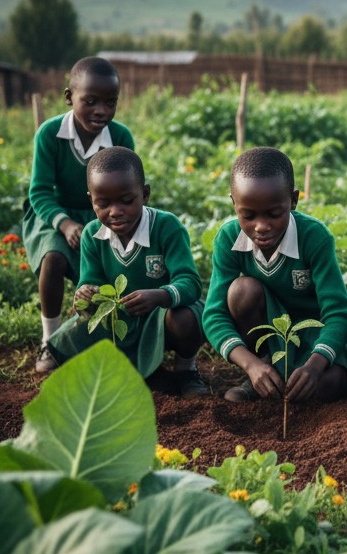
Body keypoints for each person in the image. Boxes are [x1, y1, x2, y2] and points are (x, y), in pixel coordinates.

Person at [45, 147, 209, 396]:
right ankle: (145, 372)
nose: (115, 211)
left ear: (145, 194)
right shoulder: (92, 235)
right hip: (121, 318)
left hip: (161, 317)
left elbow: (190, 282)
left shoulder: (166, 227)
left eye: (127, 200)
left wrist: (160, 296)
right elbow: (90, 280)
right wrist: (86, 293)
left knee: (185, 319)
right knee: (75, 331)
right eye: (103, 203)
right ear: (91, 200)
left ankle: (185, 370)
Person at [202, 147, 347, 404]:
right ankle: (266, 368)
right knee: (241, 291)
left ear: (293, 200)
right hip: (269, 333)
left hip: (314, 333)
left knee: (327, 386)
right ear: (234, 203)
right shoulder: (229, 238)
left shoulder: (314, 237)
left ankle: (287, 377)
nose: (261, 227)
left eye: (274, 214)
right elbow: (213, 315)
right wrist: (251, 365)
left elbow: (339, 313)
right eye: (248, 215)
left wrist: (315, 365)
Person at [23, 56, 134, 373]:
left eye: (110, 102)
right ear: (69, 97)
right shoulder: (50, 134)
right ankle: (51, 341)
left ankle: (101, 336)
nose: (101, 110)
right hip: (54, 214)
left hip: (103, 213)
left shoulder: (121, 137)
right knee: (53, 258)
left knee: (112, 271)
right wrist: (65, 223)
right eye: (91, 101)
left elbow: (128, 189)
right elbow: (40, 191)